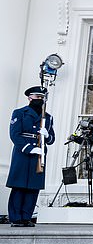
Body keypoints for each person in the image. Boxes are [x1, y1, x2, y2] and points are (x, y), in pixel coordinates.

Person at [6, 86, 55, 227]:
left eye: (42, 98)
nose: (39, 100)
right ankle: (16, 218)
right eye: (37, 97)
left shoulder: (48, 117)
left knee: (33, 187)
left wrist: (47, 135)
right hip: (23, 153)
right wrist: (30, 148)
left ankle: (26, 216)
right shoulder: (20, 113)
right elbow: (15, 135)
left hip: (39, 155)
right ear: (29, 98)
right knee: (19, 186)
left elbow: (52, 139)